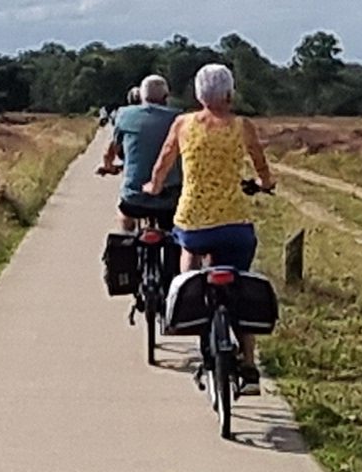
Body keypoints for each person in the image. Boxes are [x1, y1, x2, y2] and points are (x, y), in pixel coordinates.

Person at [145, 63, 273, 376]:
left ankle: (187, 307)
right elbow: (261, 165)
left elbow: (163, 163)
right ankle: (248, 362)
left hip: (193, 221)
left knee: (189, 251)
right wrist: (265, 183)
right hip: (235, 225)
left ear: (198, 94)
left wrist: (154, 186)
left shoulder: (183, 124)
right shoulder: (242, 126)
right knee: (240, 284)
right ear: (229, 93)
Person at [98, 76, 179, 230]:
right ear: (166, 97)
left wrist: (108, 166)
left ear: (141, 96)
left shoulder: (124, 114)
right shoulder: (178, 118)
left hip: (135, 198)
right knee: (174, 230)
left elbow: (111, 151)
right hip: (169, 199)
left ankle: (126, 233)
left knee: (125, 212)